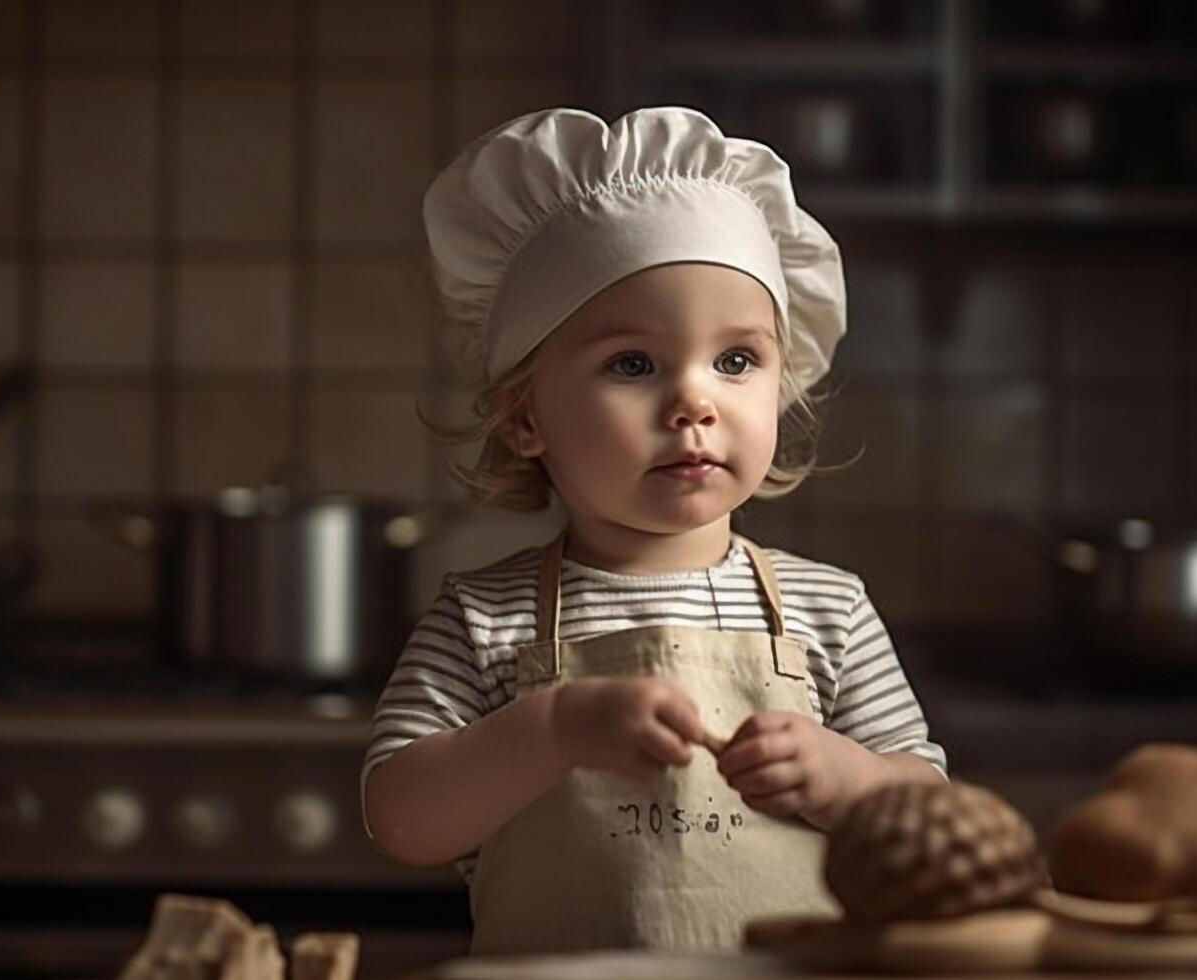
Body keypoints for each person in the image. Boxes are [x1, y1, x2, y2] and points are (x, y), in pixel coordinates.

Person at [362, 107, 947, 955]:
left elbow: (930, 815)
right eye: (632, 364)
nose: (693, 402)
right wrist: (555, 732)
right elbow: (400, 819)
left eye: (736, 360)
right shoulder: (484, 619)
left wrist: (843, 775)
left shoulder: (831, 609)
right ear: (525, 414)